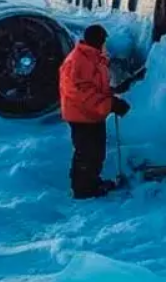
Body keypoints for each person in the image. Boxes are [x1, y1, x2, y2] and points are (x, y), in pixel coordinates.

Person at [58, 24, 142, 199]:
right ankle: (83, 190)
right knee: (87, 153)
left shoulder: (92, 57)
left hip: (92, 115)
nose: (105, 43)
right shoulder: (79, 61)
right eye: (103, 40)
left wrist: (112, 94)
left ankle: (91, 182)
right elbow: (82, 93)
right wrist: (110, 104)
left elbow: (93, 88)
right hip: (82, 116)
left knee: (96, 152)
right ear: (98, 40)